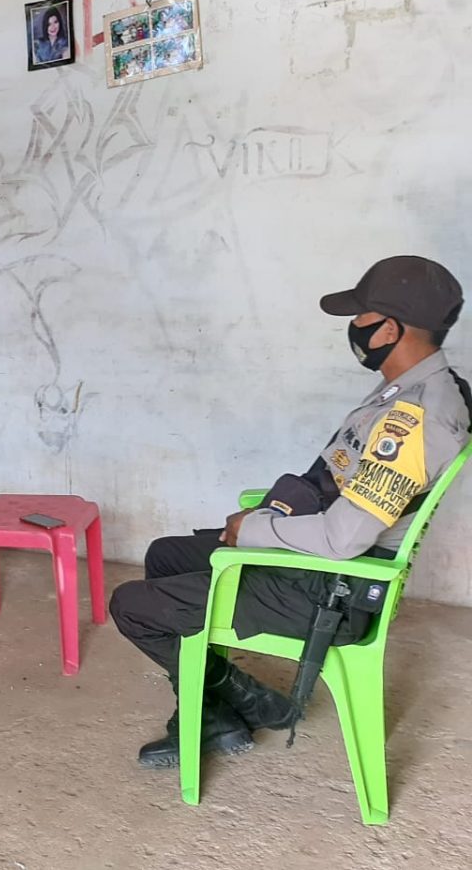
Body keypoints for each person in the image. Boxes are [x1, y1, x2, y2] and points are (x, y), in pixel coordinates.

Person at [110, 256, 470, 767]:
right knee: (166, 556)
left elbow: (343, 540)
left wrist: (258, 529)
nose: (355, 327)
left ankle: (245, 701)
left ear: (389, 329)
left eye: (361, 317)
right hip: (319, 566)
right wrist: (270, 517)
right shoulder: (407, 388)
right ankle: (215, 711)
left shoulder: (416, 416)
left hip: (331, 588)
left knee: (132, 605)